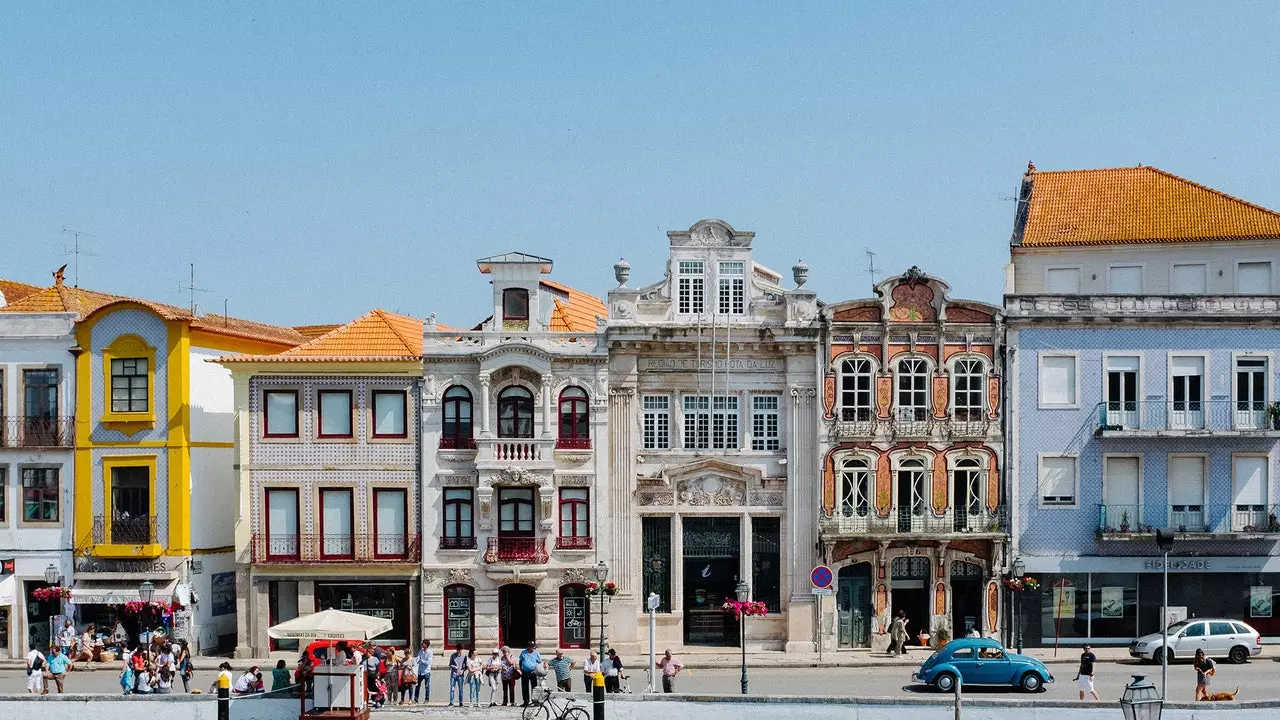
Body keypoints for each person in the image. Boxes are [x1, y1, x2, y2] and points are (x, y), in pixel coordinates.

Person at [518, 641, 542, 707]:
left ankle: (535, 701)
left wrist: (538, 670)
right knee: (524, 687)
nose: (533, 648)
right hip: (525, 672)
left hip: (533, 672)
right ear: (528, 647)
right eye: (531, 646)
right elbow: (520, 661)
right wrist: (521, 669)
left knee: (534, 688)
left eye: (533, 646)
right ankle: (526, 701)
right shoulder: (523, 652)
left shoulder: (536, 653)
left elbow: (539, 662)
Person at [412, 639, 432, 704]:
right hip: (420, 671)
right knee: (417, 686)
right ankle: (415, 699)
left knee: (427, 686)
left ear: (426, 645)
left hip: (426, 671)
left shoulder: (430, 652)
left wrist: (421, 661)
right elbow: (418, 658)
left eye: (423, 643)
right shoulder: (420, 651)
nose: (422, 644)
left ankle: (426, 699)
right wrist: (415, 661)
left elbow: (428, 662)